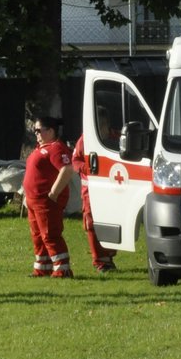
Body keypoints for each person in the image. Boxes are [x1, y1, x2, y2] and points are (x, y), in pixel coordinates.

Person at [24, 115, 74, 278]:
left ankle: (62, 269)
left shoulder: (56, 148)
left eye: (39, 130)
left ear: (51, 131)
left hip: (46, 201)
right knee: (38, 235)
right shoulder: (40, 148)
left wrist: (54, 193)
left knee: (50, 234)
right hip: (33, 200)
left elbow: (66, 169)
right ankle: (42, 267)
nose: (36, 133)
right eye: (35, 130)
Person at [70, 111, 116, 274]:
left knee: (111, 221)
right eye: (98, 124)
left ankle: (109, 256)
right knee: (91, 223)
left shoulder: (115, 138)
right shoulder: (85, 140)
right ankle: (100, 261)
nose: (101, 128)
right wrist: (89, 168)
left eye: (103, 124)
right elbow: (75, 161)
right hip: (90, 190)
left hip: (113, 188)